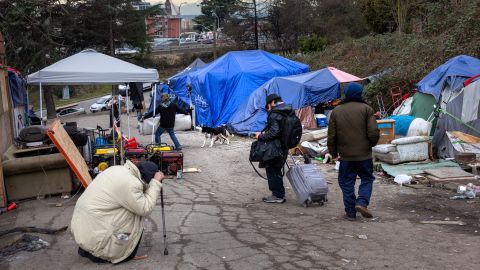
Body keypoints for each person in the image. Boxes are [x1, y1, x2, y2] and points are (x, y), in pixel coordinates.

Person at [71, 161, 164, 264]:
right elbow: (145, 208)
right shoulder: (131, 183)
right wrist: (155, 182)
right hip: (96, 235)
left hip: (85, 227)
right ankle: (107, 251)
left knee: (127, 205)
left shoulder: (118, 169)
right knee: (135, 212)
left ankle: (87, 249)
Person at [327, 82, 380, 220]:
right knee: (367, 178)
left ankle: (350, 212)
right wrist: (370, 145)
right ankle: (362, 202)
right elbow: (373, 133)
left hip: (345, 156)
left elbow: (331, 136)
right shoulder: (367, 109)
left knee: (346, 182)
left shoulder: (336, 111)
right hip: (364, 155)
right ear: (360, 93)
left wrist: (333, 153)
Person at [256, 94, 293, 203]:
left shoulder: (275, 114)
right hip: (284, 146)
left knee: (271, 169)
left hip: (275, 147)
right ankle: (279, 194)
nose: (268, 107)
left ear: (272, 102)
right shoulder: (288, 111)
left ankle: (277, 195)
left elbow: (274, 132)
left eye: (268, 105)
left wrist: (260, 136)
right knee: (276, 169)